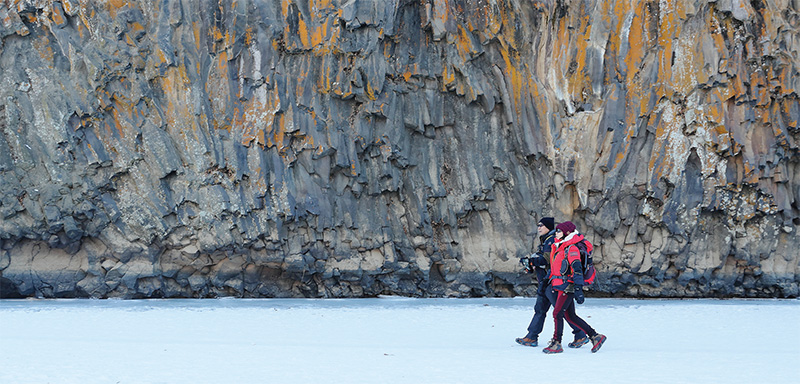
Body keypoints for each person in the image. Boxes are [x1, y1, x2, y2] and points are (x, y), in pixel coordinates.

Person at [516, 218, 587, 348]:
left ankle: (581, 334)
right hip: (547, 281)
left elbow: (547, 260)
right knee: (542, 309)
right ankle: (532, 336)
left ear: (548, 227)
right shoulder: (548, 240)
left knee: (562, 312)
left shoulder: (551, 241)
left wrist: (532, 262)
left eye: (541, 225)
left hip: (553, 282)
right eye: (537, 225)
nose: (538, 228)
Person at [542, 221, 607, 354]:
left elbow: (576, 268)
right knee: (570, 315)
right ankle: (595, 336)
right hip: (560, 285)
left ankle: (556, 343)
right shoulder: (560, 246)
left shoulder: (571, 248)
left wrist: (578, 289)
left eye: (559, 231)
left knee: (557, 313)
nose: (556, 233)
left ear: (566, 233)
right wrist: (546, 280)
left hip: (568, 286)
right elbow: (555, 267)